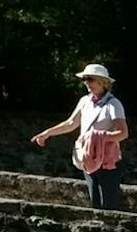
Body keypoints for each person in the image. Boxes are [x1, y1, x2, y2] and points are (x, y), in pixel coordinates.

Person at [31, 63, 129, 209]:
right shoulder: (85, 101)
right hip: (88, 158)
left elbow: (123, 133)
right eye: (84, 79)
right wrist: (47, 133)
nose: (86, 83)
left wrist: (97, 138)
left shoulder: (113, 104)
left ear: (102, 82)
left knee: (108, 204)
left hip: (107, 161)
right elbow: (71, 123)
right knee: (94, 201)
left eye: (90, 79)